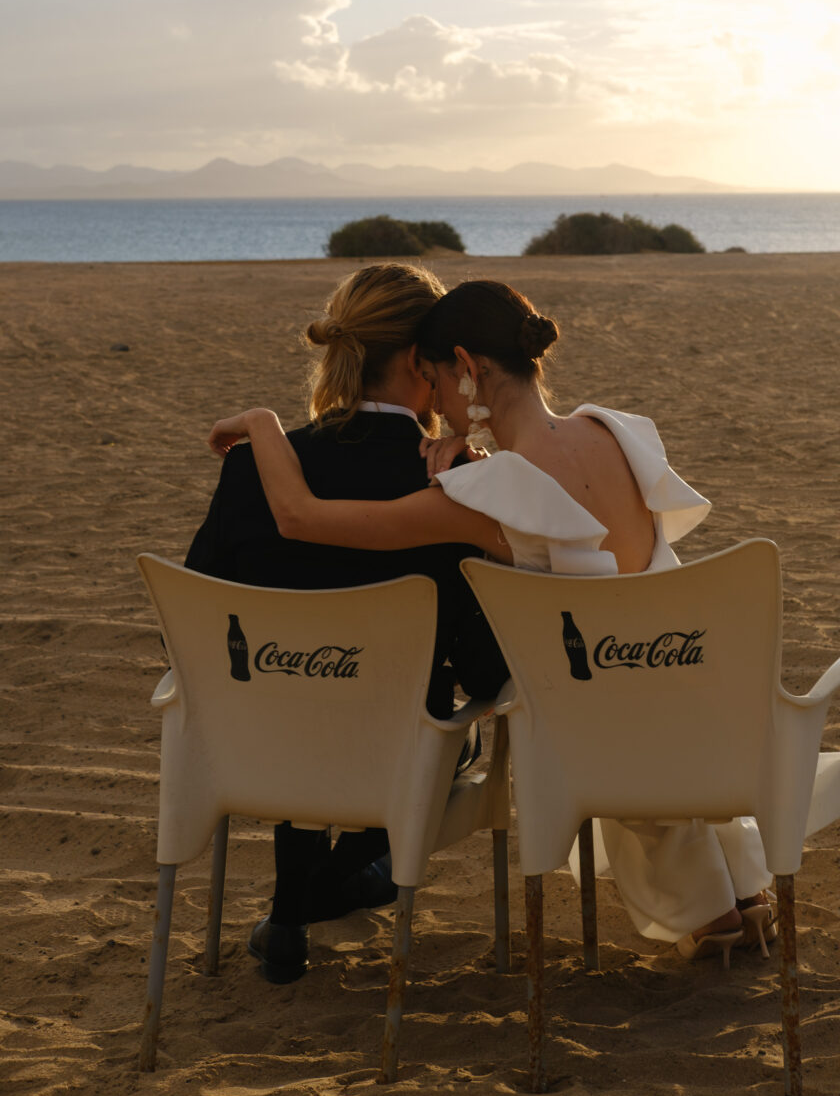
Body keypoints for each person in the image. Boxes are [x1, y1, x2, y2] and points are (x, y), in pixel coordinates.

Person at [207, 278, 775, 962]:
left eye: (439, 381)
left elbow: (300, 519)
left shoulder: (483, 495)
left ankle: (717, 920)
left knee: (582, 707)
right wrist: (473, 463)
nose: (438, 408)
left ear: (466, 368)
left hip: (604, 735)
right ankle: (748, 897)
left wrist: (265, 426)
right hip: (699, 701)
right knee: (602, 697)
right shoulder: (614, 432)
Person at [188, 262, 507, 983]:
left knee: (310, 692)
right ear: (426, 363)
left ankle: (294, 909)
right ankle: (326, 887)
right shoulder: (445, 490)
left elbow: (205, 618)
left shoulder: (252, 470)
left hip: (259, 740)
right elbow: (486, 670)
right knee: (448, 727)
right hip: (391, 754)